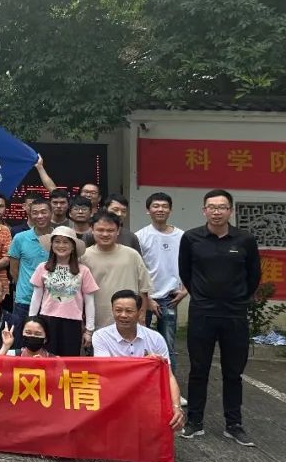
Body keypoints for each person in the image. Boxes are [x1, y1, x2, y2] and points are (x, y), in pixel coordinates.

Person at [179, 189, 261, 446]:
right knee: (198, 369)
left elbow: (254, 276)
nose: (216, 212)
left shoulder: (245, 240)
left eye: (222, 207)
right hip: (202, 313)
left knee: (233, 372)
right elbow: (185, 272)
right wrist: (203, 296)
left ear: (230, 211)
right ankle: (194, 421)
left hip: (234, 314)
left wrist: (237, 299)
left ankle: (233, 424)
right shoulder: (191, 238)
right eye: (211, 207)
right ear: (204, 210)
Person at [93, 289, 185, 433]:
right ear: (112, 310)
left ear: (140, 312)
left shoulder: (155, 338)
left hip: (147, 397)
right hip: (114, 396)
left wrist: (176, 407)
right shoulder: (100, 336)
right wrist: (144, 364)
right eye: (118, 310)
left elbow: (169, 376)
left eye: (129, 311)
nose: (123, 315)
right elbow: (105, 371)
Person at [135, 192, 185, 374]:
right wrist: (147, 298)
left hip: (170, 298)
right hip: (145, 297)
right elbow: (137, 270)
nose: (160, 209)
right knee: (141, 344)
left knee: (167, 345)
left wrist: (185, 290)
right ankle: (144, 383)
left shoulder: (182, 236)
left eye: (164, 206)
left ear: (170, 210)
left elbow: (191, 264)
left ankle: (169, 384)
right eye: (155, 206)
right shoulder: (140, 236)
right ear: (148, 210)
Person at [28, 227, 97, 356]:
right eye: (57, 241)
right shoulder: (42, 268)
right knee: (47, 358)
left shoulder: (83, 270)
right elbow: (36, 297)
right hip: (47, 320)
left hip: (73, 323)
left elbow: (89, 302)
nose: (61, 245)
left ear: (73, 246)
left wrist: (89, 330)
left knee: (69, 361)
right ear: (52, 245)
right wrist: (31, 321)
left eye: (66, 242)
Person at [81, 211, 151, 332]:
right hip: (96, 323)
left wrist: (142, 315)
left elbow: (144, 289)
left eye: (110, 230)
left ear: (118, 231)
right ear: (92, 230)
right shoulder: (83, 256)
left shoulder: (132, 255)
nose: (105, 234)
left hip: (129, 321)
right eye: (100, 230)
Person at [6, 195, 53, 346]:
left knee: (49, 342)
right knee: (21, 341)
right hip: (24, 299)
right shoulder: (20, 238)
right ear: (30, 214)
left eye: (44, 212)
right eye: (35, 212)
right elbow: (14, 270)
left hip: (52, 300)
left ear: (51, 213)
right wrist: (25, 285)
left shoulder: (59, 238)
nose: (40, 216)